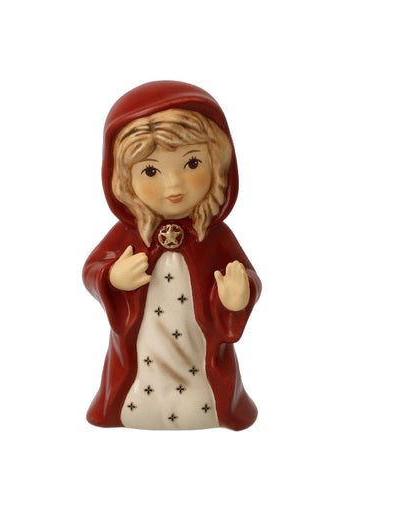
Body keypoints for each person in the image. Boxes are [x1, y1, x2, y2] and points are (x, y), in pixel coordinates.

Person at [83, 81, 261, 430]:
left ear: (218, 163)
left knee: (202, 385)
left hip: (197, 352)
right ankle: (135, 405)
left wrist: (237, 295)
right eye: (151, 171)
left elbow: (246, 276)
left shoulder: (215, 237)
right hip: (144, 354)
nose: (174, 186)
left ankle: (210, 406)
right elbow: (92, 269)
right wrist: (112, 277)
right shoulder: (128, 235)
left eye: (192, 163)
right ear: (123, 178)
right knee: (139, 381)